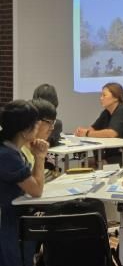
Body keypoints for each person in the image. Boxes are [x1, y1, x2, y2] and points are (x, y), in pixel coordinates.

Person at [0, 100, 49, 266]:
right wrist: (40, 157)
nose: (38, 126)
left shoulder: (11, 150)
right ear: (24, 130)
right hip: (7, 223)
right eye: (35, 124)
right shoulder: (8, 156)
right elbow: (36, 190)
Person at [74, 82, 123, 167]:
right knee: (86, 163)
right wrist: (82, 132)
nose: (101, 98)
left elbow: (112, 133)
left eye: (104, 95)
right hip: (113, 155)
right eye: (101, 95)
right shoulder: (107, 112)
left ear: (115, 97)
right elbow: (93, 129)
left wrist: (87, 133)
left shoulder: (122, 110)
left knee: (99, 165)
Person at [22, 99, 58, 182]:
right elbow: (33, 187)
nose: (52, 128)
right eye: (49, 122)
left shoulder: (33, 147)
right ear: (34, 122)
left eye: (54, 122)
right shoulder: (17, 152)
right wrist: (40, 158)